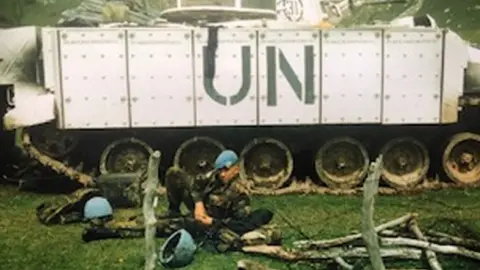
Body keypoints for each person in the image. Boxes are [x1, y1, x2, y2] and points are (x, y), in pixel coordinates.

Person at [163, 149, 282, 252]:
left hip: (210, 222)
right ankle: (173, 210)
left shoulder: (240, 193)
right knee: (174, 173)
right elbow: (196, 185)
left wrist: (211, 222)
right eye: (220, 170)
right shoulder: (215, 176)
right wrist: (199, 204)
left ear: (236, 169)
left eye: (226, 170)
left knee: (168, 226)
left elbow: (239, 224)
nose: (222, 174)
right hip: (201, 209)